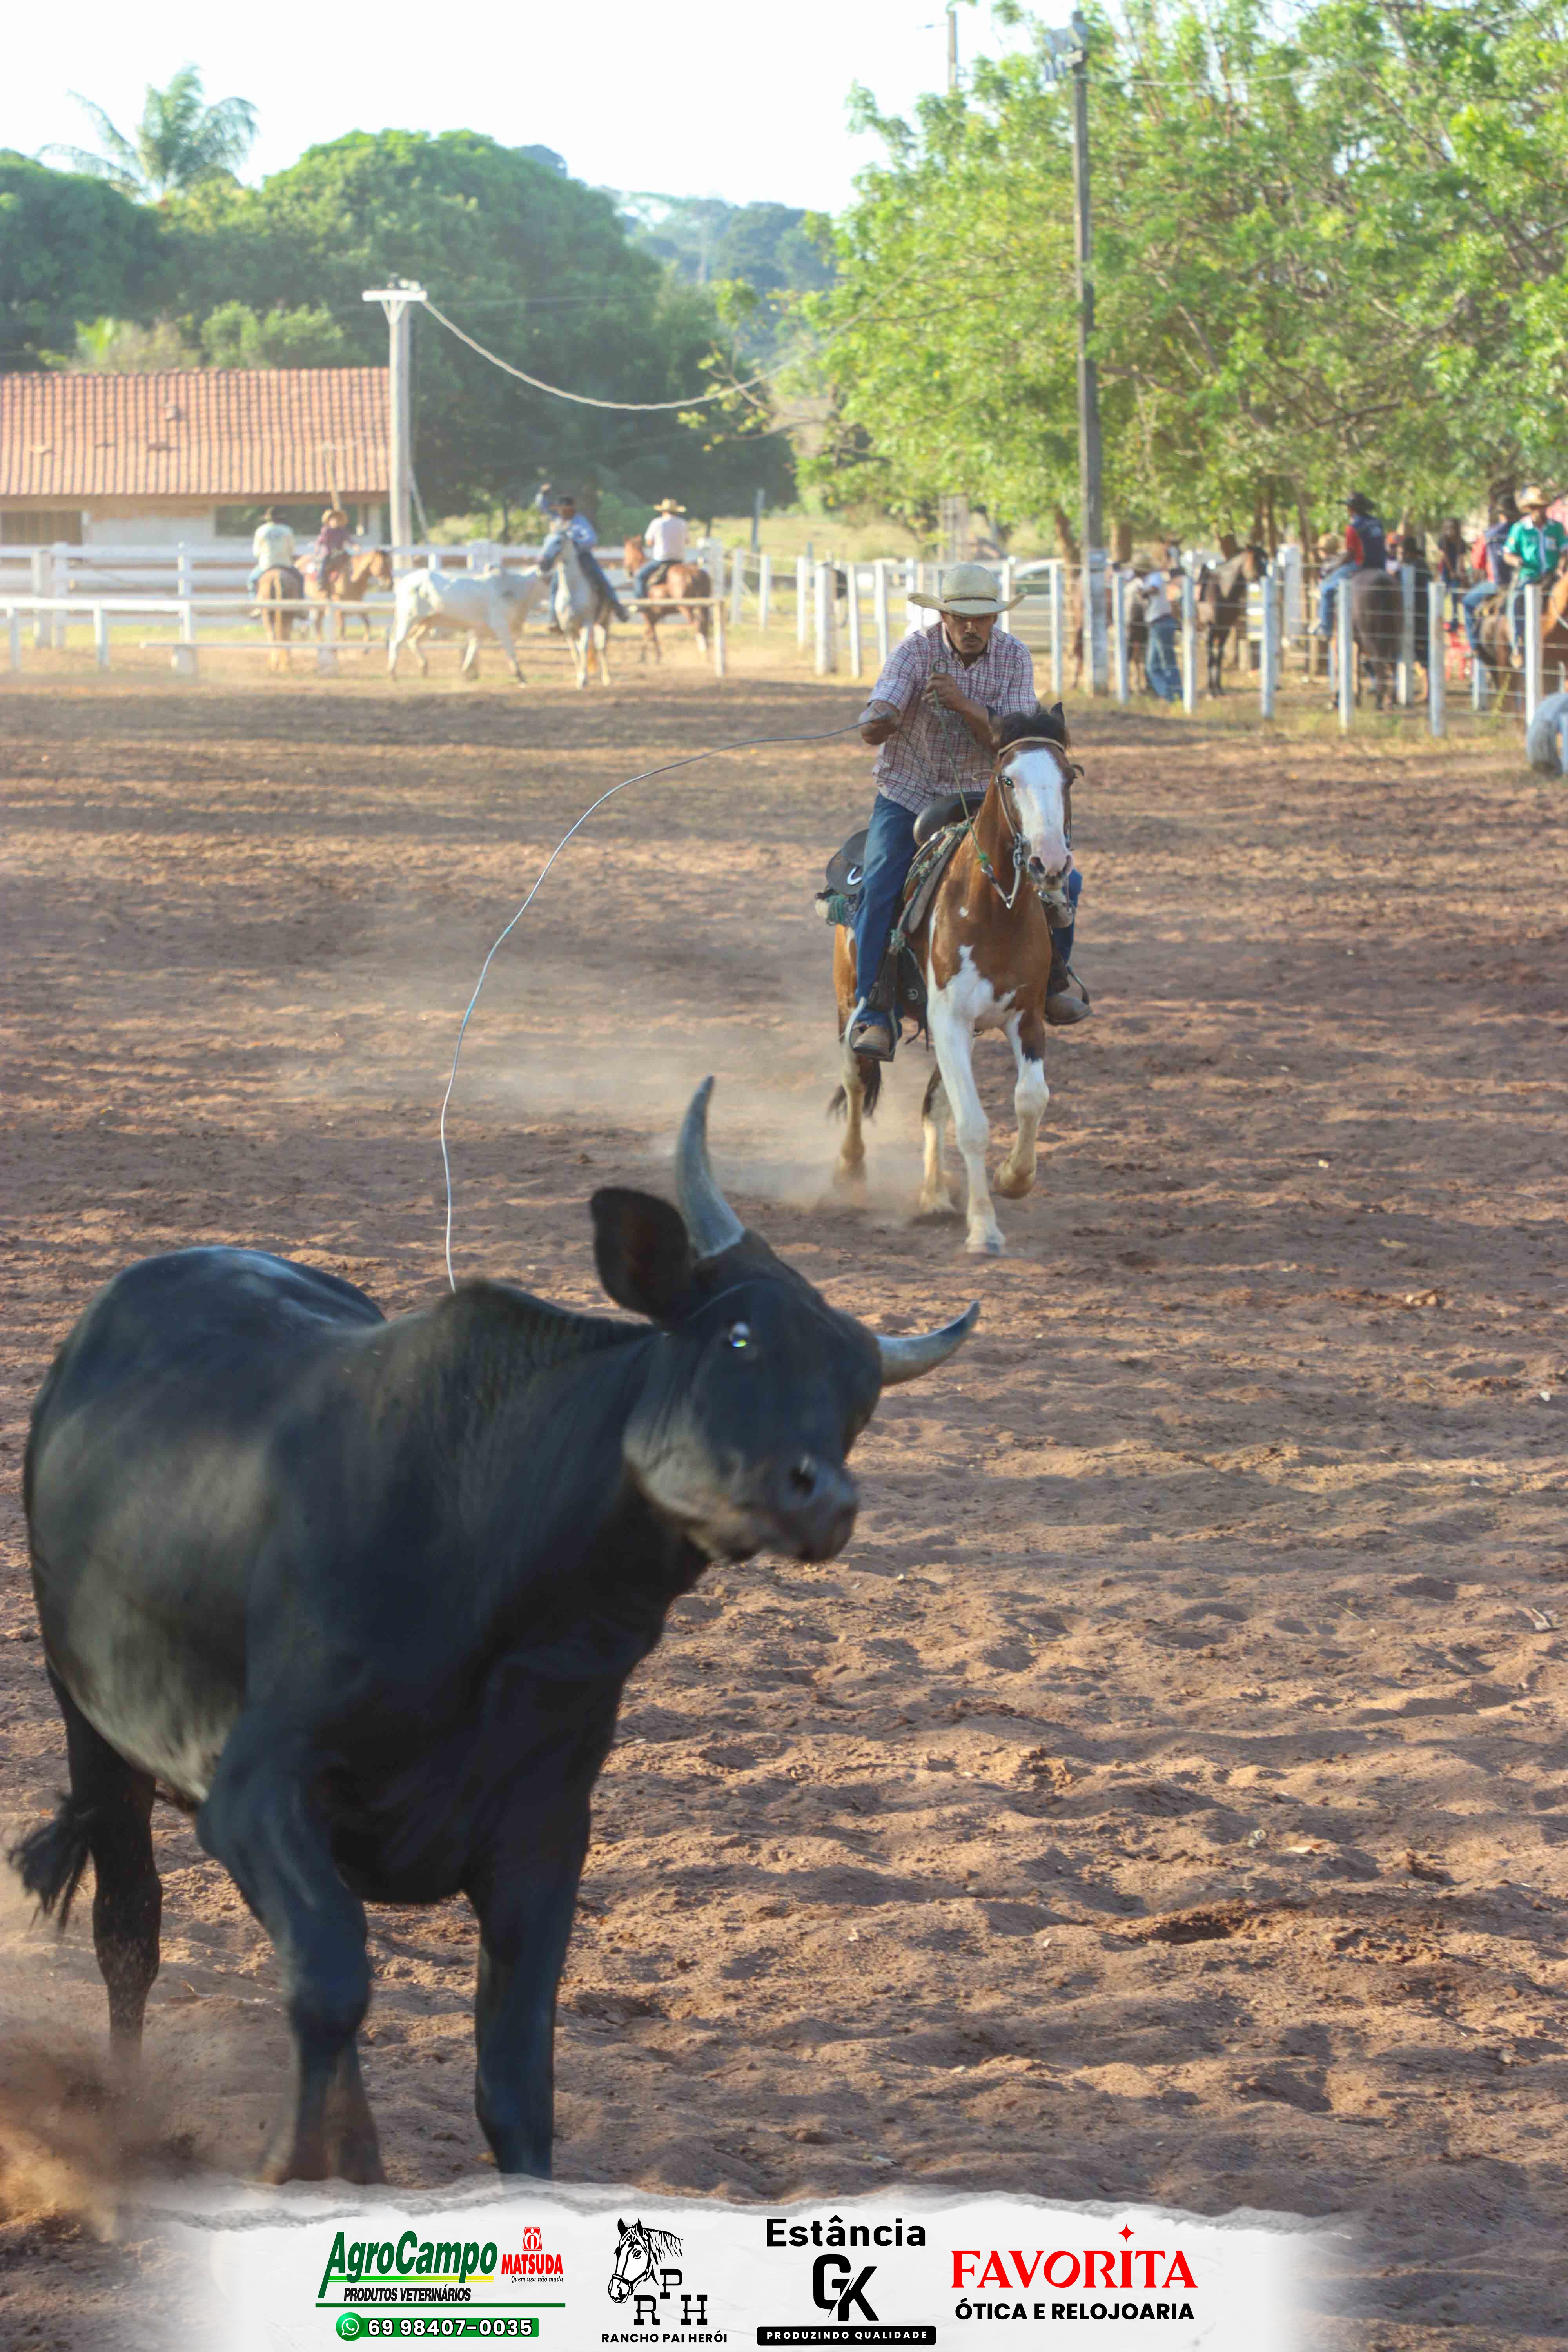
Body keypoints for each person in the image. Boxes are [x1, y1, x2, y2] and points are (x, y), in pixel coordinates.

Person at [846, 562, 1088, 1062]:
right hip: (908, 793)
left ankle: (1050, 982)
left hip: (984, 798)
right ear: (945, 617)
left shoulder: (1014, 656)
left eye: (981, 619)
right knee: (881, 879)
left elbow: (1015, 738)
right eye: (961, 618)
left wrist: (961, 703)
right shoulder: (914, 652)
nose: (971, 628)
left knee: (1065, 879)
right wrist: (879, 719)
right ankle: (873, 1008)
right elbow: (877, 716)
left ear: (995, 619)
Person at [538, 493, 628, 622]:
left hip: (582, 556)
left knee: (601, 579)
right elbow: (543, 507)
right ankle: (554, 619)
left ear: (571, 510)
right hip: (564, 560)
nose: (562, 512)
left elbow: (591, 539)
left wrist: (575, 543)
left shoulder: (580, 521)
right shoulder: (558, 520)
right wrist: (542, 495)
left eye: (565, 510)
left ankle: (617, 608)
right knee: (554, 587)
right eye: (561, 510)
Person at [1503, 487, 1568, 666]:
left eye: (1542, 507)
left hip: (1552, 575)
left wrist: (1561, 565)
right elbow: (1508, 553)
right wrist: (1517, 561)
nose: (1539, 511)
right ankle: (1517, 647)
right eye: (1535, 507)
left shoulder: (1557, 528)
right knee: (1515, 601)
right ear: (1529, 509)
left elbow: (1565, 550)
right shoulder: (1520, 528)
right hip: (1529, 576)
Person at [1315, 493, 1387, 636]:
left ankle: (1325, 627)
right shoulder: (1377, 523)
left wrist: (1334, 566)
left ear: (1351, 509)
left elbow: (1350, 555)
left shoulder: (1353, 528)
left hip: (1362, 565)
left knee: (1327, 588)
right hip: (1380, 566)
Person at [1463, 497, 1519, 657]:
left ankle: (1474, 647)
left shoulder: (1489, 535)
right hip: (1520, 582)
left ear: (1500, 515)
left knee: (1467, 603)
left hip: (1496, 584)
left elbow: (1477, 563)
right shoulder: (1522, 531)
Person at [634, 498, 690, 603]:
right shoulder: (683, 523)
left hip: (661, 560)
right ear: (676, 512)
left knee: (640, 576)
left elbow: (649, 542)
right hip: (679, 561)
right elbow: (687, 541)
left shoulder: (657, 523)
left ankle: (641, 604)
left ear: (663, 512)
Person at [1142, 564, 1180, 701]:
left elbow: (1155, 589)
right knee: (1153, 666)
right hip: (1155, 625)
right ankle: (1169, 695)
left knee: (1167, 663)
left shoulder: (1155, 577)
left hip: (1161, 623)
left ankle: (1175, 695)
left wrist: (1144, 592)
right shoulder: (1149, 579)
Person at [248, 506, 296, 590]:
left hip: (266, 565)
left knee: (252, 581)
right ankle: (301, 597)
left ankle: (254, 598)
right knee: (300, 579)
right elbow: (292, 550)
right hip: (285, 564)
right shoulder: (287, 530)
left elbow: (256, 553)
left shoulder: (261, 531)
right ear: (280, 518)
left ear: (267, 519)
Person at [1436, 517, 1468, 630]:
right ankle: (1439, 620)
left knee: (1455, 596)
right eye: (1448, 529)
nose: (1450, 531)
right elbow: (1444, 557)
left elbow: (1461, 558)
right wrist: (1451, 571)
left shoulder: (1461, 543)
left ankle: (1455, 622)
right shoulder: (1442, 541)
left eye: (1452, 529)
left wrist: (1458, 572)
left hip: (1456, 572)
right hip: (1446, 571)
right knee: (1441, 595)